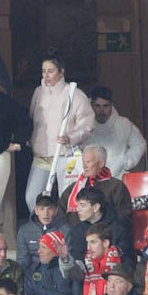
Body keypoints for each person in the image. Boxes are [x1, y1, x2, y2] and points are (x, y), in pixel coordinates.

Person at [26, 54, 92, 210]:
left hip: (65, 155)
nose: (46, 75)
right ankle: (41, 225)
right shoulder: (38, 92)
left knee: (68, 198)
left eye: (51, 71)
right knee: (32, 198)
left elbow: (87, 124)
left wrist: (71, 137)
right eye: (44, 71)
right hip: (41, 155)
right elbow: (32, 118)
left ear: (61, 72)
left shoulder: (74, 93)